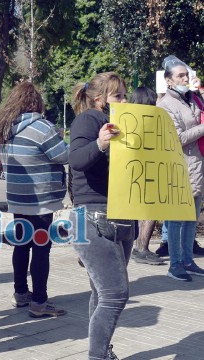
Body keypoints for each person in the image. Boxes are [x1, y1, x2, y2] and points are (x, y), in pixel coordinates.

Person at [69, 72, 133, 360]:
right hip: (94, 216)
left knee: (102, 293)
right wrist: (101, 143)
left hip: (119, 215)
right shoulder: (89, 119)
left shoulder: (122, 122)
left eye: (124, 94)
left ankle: (102, 351)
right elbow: (77, 160)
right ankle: (97, 356)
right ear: (99, 99)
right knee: (115, 294)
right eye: (118, 95)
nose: (124, 100)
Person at [0, 82, 68, 318]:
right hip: (40, 198)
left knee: (22, 244)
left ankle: (21, 293)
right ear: (35, 103)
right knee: (42, 248)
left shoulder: (4, 128)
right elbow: (63, 155)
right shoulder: (42, 128)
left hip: (17, 197)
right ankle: (39, 302)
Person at [157, 55, 204, 281]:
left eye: (187, 74)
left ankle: (188, 260)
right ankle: (175, 264)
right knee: (176, 219)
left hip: (196, 166)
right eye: (180, 75)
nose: (185, 78)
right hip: (178, 168)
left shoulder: (193, 98)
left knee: (191, 218)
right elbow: (177, 138)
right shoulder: (165, 105)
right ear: (168, 81)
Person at [127, 87, 166, 266]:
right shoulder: (148, 122)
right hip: (146, 171)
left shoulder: (126, 119)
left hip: (132, 171)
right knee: (150, 210)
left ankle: (137, 247)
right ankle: (141, 248)